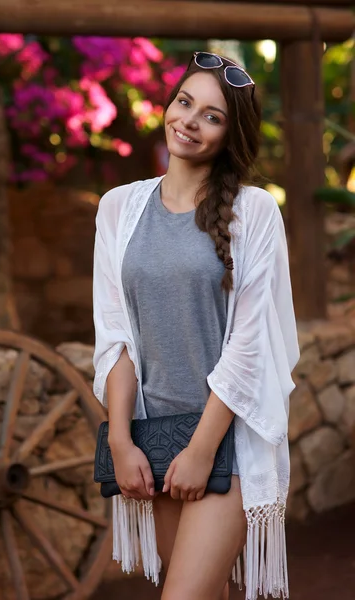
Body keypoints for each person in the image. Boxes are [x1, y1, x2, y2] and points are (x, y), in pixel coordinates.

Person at [92, 52, 300, 600]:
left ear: (231, 134)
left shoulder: (253, 213)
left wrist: (203, 449)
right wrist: (120, 439)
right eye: (185, 102)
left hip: (224, 442)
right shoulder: (118, 208)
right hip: (154, 439)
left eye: (212, 115)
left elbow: (249, 344)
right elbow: (115, 336)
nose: (189, 120)